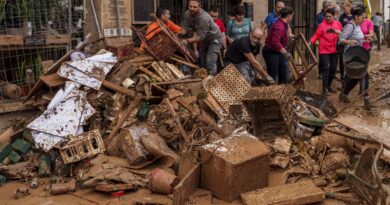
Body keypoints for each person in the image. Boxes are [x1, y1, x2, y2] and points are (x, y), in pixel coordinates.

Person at [338, 8, 372, 107]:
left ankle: (344, 95)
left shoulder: (357, 25)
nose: (364, 19)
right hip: (350, 55)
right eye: (362, 17)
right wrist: (349, 41)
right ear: (356, 17)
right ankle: (366, 100)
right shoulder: (350, 26)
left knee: (356, 77)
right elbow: (341, 39)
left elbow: (357, 39)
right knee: (363, 74)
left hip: (357, 54)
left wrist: (365, 40)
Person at [180, 0, 222, 76]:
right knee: (202, 60)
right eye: (190, 6)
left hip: (214, 38)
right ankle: (204, 80)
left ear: (199, 6)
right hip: (205, 39)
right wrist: (179, 33)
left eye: (195, 7)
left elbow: (199, 37)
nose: (192, 8)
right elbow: (185, 29)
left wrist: (186, 40)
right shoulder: (187, 14)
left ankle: (212, 81)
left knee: (210, 61)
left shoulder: (204, 17)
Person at [310, 8, 342, 96]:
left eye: (330, 16)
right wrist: (311, 42)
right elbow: (316, 35)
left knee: (333, 69)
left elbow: (342, 34)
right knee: (326, 69)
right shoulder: (321, 25)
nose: (328, 18)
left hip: (334, 50)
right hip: (324, 50)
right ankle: (324, 89)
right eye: (326, 16)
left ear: (334, 16)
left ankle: (328, 86)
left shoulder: (338, 24)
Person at [262, 6, 294, 84]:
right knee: (273, 76)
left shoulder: (283, 23)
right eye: (292, 15)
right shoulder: (279, 26)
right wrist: (285, 53)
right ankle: (271, 93)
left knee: (283, 74)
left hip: (278, 52)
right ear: (289, 16)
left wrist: (288, 36)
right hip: (271, 52)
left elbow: (281, 35)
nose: (292, 17)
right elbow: (275, 42)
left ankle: (282, 92)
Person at [338, 1, 354, 82]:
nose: (344, 9)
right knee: (341, 59)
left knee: (350, 58)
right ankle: (342, 75)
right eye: (343, 8)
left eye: (345, 8)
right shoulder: (342, 17)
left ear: (349, 7)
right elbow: (340, 27)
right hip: (343, 40)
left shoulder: (354, 16)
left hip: (352, 40)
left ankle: (350, 75)